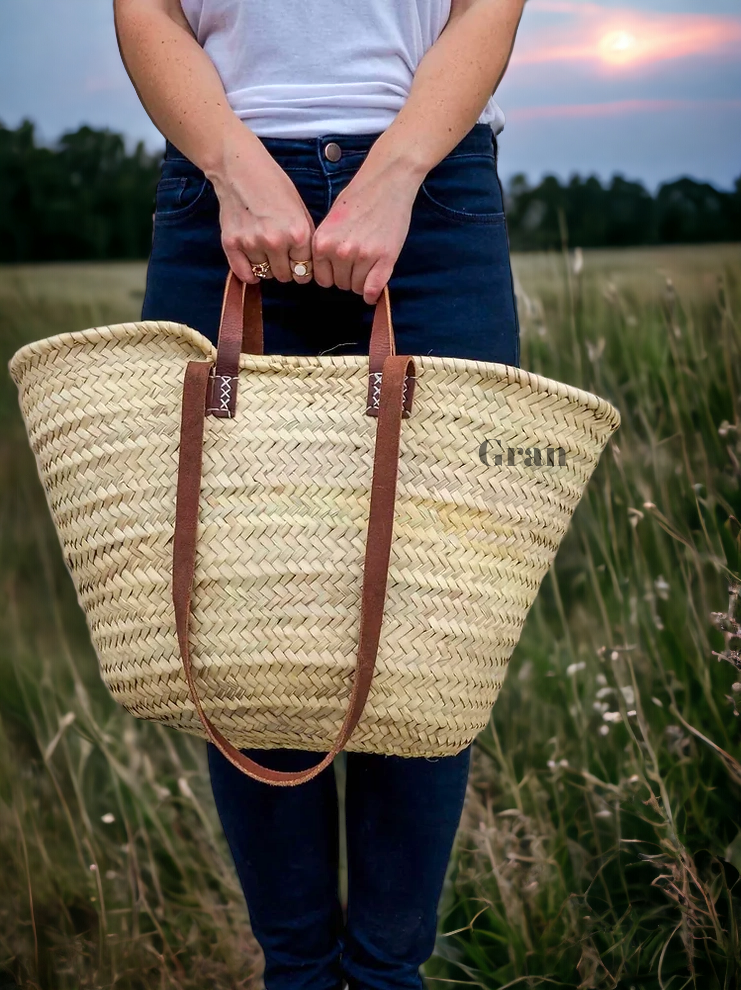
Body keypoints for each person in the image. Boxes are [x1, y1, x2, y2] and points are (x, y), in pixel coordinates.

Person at [114, 1, 525, 988]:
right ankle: (296, 975)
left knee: (424, 624)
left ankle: (387, 976)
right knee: (243, 618)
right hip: (219, 192)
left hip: (429, 194)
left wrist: (392, 176)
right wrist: (234, 167)